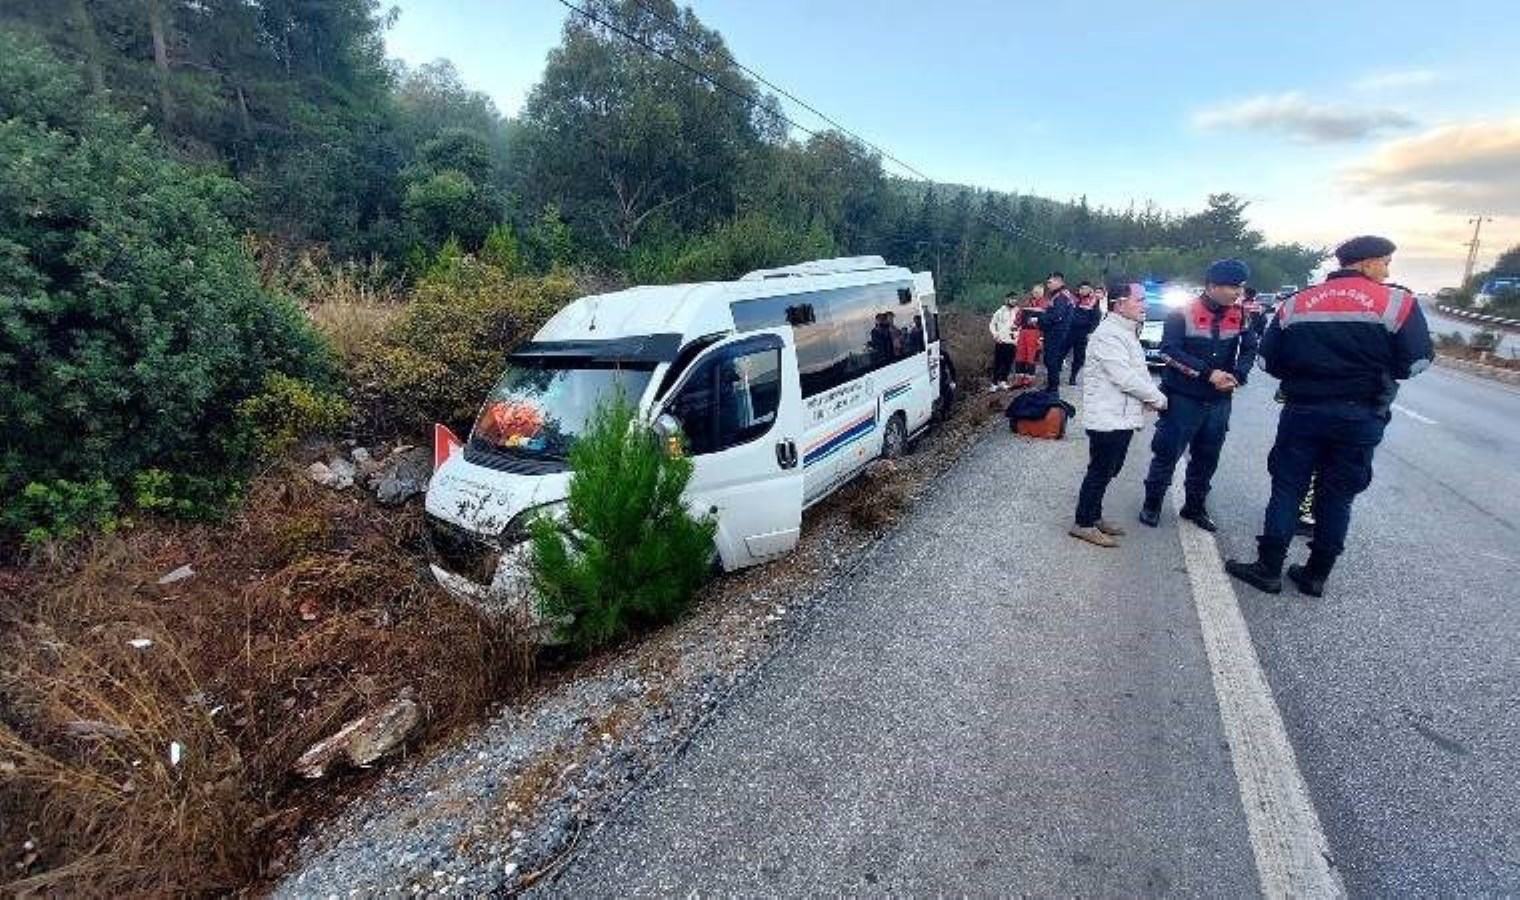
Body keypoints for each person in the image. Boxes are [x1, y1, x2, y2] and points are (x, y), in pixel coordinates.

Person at [1226, 236, 1433, 596]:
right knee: (1338, 495)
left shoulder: (1297, 303)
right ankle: (1315, 575)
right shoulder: (1398, 302)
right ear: (1367, 263)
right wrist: (1378, 372)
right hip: (1361, 415)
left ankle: (1268, 568)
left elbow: (1266, 361)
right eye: (1385, 262)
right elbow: (1416, 361)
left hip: (1303, 410)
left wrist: (1306, 374)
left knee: (1288, 487)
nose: (1387, 270)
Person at [1138, 259, 1259, 531]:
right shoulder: (1182, 312)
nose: (1238, 292)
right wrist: (1208, 374)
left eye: (1240, 287)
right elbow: (1168, 351)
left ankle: (1194, 507)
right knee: (1167, 452)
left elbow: (1251, 348)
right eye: (1232, 287)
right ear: (1213, 286)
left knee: (1207, 457)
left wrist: (1238, 375)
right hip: (1184, 397)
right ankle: (1152, 503)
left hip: (1219, 401)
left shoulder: (1240, 314)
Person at [1070, 281, 1168, 547]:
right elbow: (1124, 377)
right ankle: (1083, 523)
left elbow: (1138, 372)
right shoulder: (1109, 334)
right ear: (1120, 303)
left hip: (1120, 415)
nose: (1144, 305)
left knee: (1110, 469)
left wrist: (1148, 396)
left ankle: (1095, 515)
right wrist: (1157, 399)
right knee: (1100, 470)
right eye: (1140, 300)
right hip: (1107, 416)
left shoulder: (1126, 331)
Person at [1042, 272, 1076, 391]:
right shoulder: (1060, 295)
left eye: (1050, 282)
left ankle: (1053, 388)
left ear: (1059, 282)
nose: (1048, 285)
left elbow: (1057, 316)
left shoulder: (1061, 297)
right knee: (1050, 360)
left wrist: (1040, 318)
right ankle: (1052, 385)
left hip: (1057, 333)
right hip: (1059, 333)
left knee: (1051, 360)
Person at [1068, 280, 1102, 385]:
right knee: (1060, 353)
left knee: (1079, 357)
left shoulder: (1093, 301)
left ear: (1089, 290)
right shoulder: (1073, 298)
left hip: (1083, 332)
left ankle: (1073, 376)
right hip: (1069, 331)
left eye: (1086, 288)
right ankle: (1055, 373)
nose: (1083, 290)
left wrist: (1091, 332)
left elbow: (1096, 318)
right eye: (1082, 288)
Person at [1013, 285, 1047, 387]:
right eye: (1034, 292)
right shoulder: (1026, 303)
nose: (1036, 294)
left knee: (1031, 356)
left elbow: (1046, 322)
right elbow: (1019, 315)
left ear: (1042, 293)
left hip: (1035, 332)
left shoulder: (1045, 304)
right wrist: (1015, 325)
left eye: (1038, 292)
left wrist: (1042, 337)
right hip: (1023, 331)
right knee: (1020, 355)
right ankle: (1019, 379)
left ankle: (1029, 379)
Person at [988, 292, 1019, 389]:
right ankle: (994, 383)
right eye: (1011, 299)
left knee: (1008, 363)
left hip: (1013, 342)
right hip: (1001, 341)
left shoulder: (1018, 312)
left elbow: (1021, 325)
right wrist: (995, 335)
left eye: (1015, 299)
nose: (1013, 301)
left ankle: (1003, 381)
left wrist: (1017, 336)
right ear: (1006, 300)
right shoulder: (999, 312)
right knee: (998, 363)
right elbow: (992, 324)